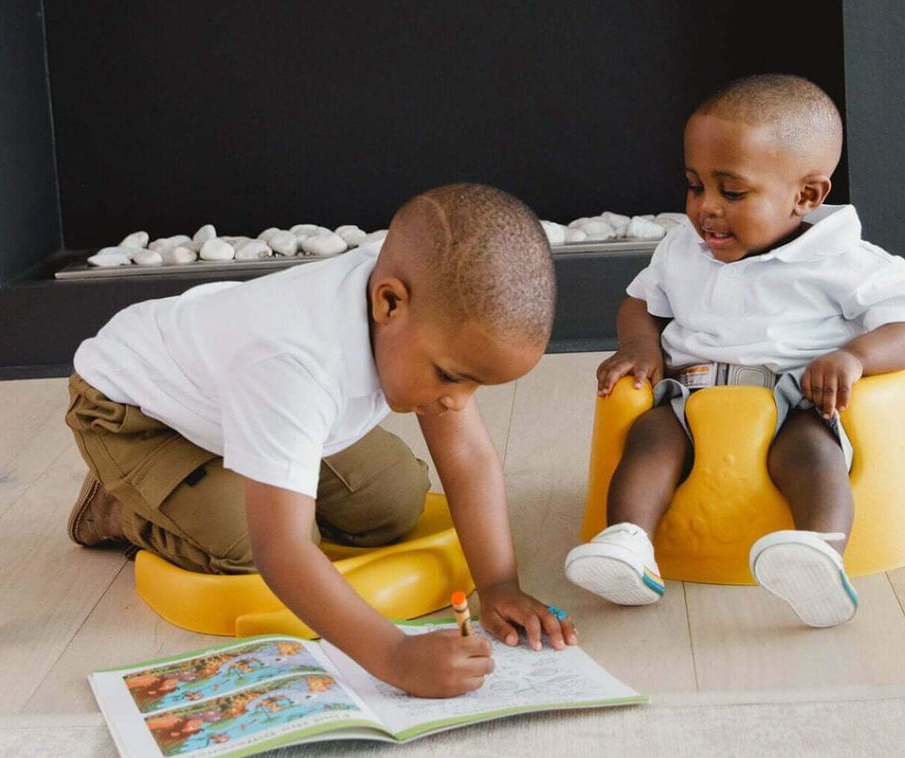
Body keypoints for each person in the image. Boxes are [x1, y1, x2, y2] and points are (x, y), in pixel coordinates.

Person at [66, 183, 574, 698]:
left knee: (394, 503)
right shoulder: (293, 363)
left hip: (249, 402)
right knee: (249, 541)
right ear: (389, 304)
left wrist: (499, 585)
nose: (459, 402)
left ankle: (239, 470)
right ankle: (114, 504)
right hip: (135, 414)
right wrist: (396, 658)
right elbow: (281, 550)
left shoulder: (422, 298)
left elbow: (466, 453)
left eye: (476, 385)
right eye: (448, 376)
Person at [564, 74, 905, 627]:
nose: (706, 209)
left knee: (813, 455)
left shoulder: (845, 260)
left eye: (731, 192)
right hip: (688, 394)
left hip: (797, 399)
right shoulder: (682, 248)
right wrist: (641, 346)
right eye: (695, 186)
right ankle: (629, 544)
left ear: (806, 195)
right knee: (647, 441)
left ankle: (820, 553)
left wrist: (854, 356)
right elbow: (639, 303)